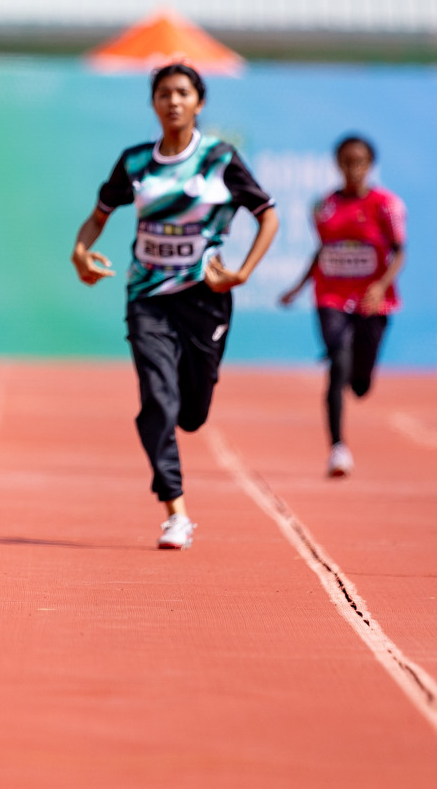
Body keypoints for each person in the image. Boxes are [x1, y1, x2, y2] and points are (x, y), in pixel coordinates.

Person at [71, 62, 279, 550]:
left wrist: (243, 271)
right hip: (147, 298)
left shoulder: (219, 159)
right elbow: (96, 218)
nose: (173, 101)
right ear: (154, 103)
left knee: (191, 415)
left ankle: (190, 413)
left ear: (199, 102)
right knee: (158, 403)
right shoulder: (135, 163)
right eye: (164, 93)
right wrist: (80, 253)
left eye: (183, 93)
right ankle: (175, 512)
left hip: (205, 301)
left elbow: (267, 216)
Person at [279, 135, 405, 478]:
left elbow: (399, 252)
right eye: (347, 161)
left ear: (370, 165)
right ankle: (338, 448)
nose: (353, 168)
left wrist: (379, 286)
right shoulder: (323, 207)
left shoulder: (386, 205)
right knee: (338, 359)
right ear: (338, 164)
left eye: (360, 161)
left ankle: (360, 375)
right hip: (331, 296)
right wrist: (298, 286)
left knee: (360, 384)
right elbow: (323, 250)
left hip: (372, 300)